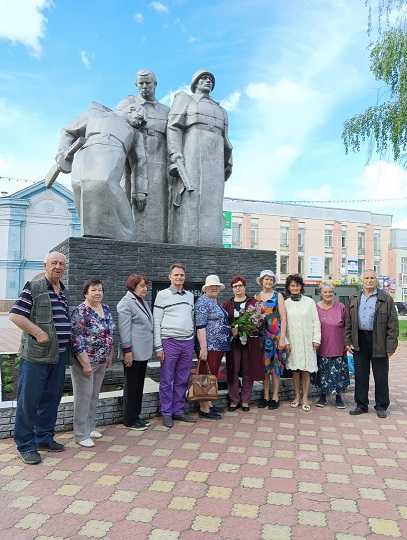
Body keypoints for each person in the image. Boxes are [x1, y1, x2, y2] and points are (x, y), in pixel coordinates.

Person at [9, 252, 72, 464]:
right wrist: (38, 333)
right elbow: (16, 315)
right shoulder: (34, 287)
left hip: (59, 355)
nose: (58, 266)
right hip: (36, 356)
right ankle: (25, 445)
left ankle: (44, 437)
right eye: (54, 263)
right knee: (29, 401)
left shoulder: (63, 291)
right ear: (45, 265)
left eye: (62, 264)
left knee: (51, 399)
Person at [55, 102, 146, 241]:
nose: (141, 123)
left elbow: (140, 160)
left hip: (114, 153)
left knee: (103, 182)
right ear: (132, 109)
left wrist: (140, 190)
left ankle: (127, 233)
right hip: (86, 152)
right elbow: (68, 131)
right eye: (140, 117)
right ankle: (91, 233)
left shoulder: (135, 133)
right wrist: (62, 153)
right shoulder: (94, 114)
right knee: (79, 186)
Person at [167, 69, 233, 247]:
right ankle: (188, 242)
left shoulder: (221, 109)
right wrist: (175, 154)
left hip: (216, 155)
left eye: (211, 79)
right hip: (192, 150)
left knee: (213, 201)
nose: (208, 81)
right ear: (195, 82)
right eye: (203, 78)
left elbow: (226, 139)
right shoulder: (186, 100)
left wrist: (229, 161)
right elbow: (173, 127)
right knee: (191, 197)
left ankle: (211, 243)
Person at [117, 69, 169, 242]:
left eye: (148, 83)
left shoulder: (166, 111)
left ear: (155, 84)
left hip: (159, 167)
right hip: (131, 166)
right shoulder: (127, 107)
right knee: (130, 210)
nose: (145, 87)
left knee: (156, 212)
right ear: (136, 85)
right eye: (141, 83)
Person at [346, 269, 398, 418]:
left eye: (372, 278)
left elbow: (393, 325)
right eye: (366, 278)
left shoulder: (386, 299)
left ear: (376, 280)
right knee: (361, 375)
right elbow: (348, 321)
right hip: (359, 340)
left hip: (379, 340)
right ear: (362, 280)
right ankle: (361, 405)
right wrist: (348, 341)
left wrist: (391, 346)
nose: (369, 280)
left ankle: (381, 406)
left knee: (381, 376)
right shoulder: (354, 297)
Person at [71, 280, 114, 447]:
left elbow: (110, 332)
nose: (98, 293)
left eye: (100, 290)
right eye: (94, 290)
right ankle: (81, 434)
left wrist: (110, 354)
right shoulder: (80, 311)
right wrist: (86, 363)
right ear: (86, 293)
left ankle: (90, 427)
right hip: (85, 362)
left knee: (94, 395)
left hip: (102, 360)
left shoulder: (106, 308)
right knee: (83, 397)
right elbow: (76, 339)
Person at [153, 263, 196, 428]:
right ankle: (166, 412)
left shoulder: (190, 296)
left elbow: (190, 318)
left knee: (182, 378)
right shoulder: (162, 295)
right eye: (176, 275)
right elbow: (156, 321)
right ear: (170, 277)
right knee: (167, 379)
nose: (179, 277)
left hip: (187, 342)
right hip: (169, 342)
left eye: (182, 275)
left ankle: (178, 411)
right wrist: (158, 346)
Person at [117, 274, 153, 430]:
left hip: (142, 352)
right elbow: (124, 330)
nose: (145, 289)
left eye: (146, 286)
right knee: (131, 386)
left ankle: (136, 415)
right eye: (142, 286)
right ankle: (129, 420)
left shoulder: (141, 301)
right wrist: (127, 351)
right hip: (132, 352)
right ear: (133, 287)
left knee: (138, 386)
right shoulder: (126, 303)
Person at [223, 276, 264, 412]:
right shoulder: (227, 304)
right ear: (232, 289)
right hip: (233, 343)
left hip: (249, 343)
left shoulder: (253, 303)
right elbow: (223, 324)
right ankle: (234, 400)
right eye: (235, 286)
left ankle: (245, 400)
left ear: (244, 287)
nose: (238, 288)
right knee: (232, 370)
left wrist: (251, 326)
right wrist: (231, 330)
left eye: (240, 285)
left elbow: (259, 322)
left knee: (248, 371)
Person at [195, 275, 231, 419]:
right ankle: (203, 408)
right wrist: (203, 347)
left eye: (216, 286)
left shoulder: (214, 302)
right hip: (209, 346)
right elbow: (200, 326)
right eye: (211, 286)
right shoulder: (202, 302)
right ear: (206, 288)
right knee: (206, 375)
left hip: (218, 346)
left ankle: (208, 404)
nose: (214, 288)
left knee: (212, 375)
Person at [285, 274, 321, 412]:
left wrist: (316, 339)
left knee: (306, 369)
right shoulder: (286, 303)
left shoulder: (309, 302)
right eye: (292, 285)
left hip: (307, 341)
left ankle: (305, 397)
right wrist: (286, 341)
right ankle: (297, 397)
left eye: (297, 285)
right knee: (295, 369)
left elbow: (316, 321)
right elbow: (283, 324)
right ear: (289, 287)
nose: (295, 288)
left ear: (301, 287)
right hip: (293, 341)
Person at [255, 270, 287, 410]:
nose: (268, 282)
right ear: (261, 281)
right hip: (262, 337)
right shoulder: (257, 297)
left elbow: (283, 318)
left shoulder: (278, 295)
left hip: (275, 336)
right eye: (266, 279)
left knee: (275, 368)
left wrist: (282, 338)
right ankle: (265, 396)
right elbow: (255, 317)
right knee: (264, 368)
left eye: (270, 279)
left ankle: (275, 396)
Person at [315, 283, 349, 409]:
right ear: (321, 293)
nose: (328, 294)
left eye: (330, 292)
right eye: (325, 292)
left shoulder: (341, 307)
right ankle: (322, 396)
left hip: (338, 346)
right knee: (323, 372)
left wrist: (347, 342)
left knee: (339, 373)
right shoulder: (316, 307)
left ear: (334, 293)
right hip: (322, 346)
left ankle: (338, 398)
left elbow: (347, 326)